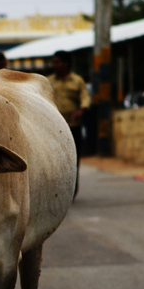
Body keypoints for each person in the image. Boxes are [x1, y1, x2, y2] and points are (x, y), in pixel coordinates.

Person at [48, 50, 91, 197]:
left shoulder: (77, 81)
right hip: (53, 128)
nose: (54, 65)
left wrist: (82, 109)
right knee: (55, 160)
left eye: (57, 62)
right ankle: (57, 190)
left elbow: (85, 98)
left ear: (66, 64)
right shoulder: (49, 81)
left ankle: (72, 191)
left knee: (73, 160)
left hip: (72, 127)